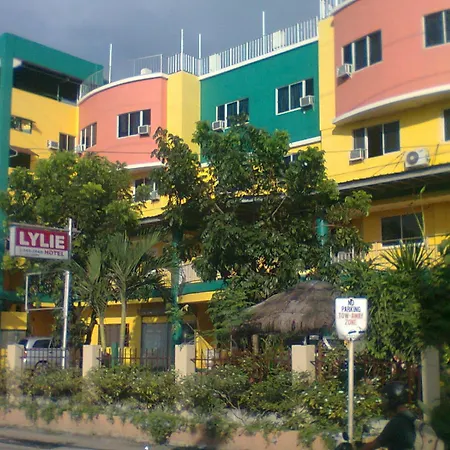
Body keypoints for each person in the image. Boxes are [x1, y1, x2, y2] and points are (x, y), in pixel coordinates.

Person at [362, 381, 416, 450]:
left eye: (385, 399)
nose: (383, 403)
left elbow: (374, 445)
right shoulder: (412, 418)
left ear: (392, 400)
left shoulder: (397, 422)